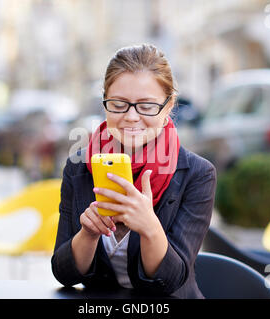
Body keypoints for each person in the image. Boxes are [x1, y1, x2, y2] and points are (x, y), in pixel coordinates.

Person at [51, 44, 216, 298]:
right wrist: (88, 235)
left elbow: (171, 280)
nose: (130, 117)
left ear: (169, 106)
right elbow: (64, 275)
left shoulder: (197, 174)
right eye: (118, 104)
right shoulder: (78, 168)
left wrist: (149, 227)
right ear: (105, 102)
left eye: (147, 106)